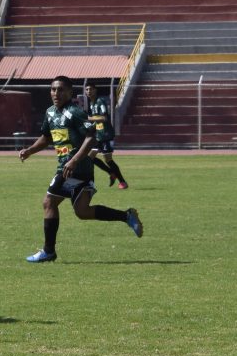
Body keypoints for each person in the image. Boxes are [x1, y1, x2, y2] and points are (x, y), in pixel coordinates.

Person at [18, 76, 143, 263]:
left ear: (70, 92)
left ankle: (48, 251)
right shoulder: (51, 113)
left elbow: (91, 137)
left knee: (48, 203)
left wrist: (74, 160)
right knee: (82, 212)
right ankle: (126, 216)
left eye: (60, 90)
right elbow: (46, 137)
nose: (56, 93)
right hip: (75, 168)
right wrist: (30, 151)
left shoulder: (75, 112)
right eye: (53, 89)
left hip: (73, 167)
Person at [84, 83, 128, 189]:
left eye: (91, 89)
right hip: (99, 135)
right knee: (90, 158)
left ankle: (122, 182)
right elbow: (97, 120)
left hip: (106, 135)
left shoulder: (100, 101)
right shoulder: (92, 103)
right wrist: (90, 127)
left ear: (95, 90)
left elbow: (104, 118)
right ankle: (110, 173)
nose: (89, 91)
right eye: (87, 89)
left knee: (108, 160)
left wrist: (88, 118)